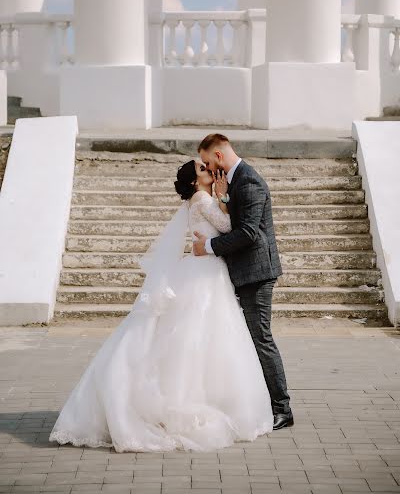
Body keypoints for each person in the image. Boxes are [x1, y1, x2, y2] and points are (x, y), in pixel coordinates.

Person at [49, 158, 274, 452]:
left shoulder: (198, 199)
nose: (210, 170)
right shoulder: (203, 198)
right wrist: (225, 196)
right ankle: (192, 402)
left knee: (201, 338)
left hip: (204, 269)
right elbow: (230, 226)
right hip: (206, 273)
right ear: (195, 181)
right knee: (202, 337)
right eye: (203, 170)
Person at [194, 133, 293, 430]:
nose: (209, 169)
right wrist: (223, 198)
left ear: (219, 156)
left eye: (209, 162)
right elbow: (236, 220)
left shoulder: (248, 180)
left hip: (256, 273)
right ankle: (264, 403)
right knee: (251, 340)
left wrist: (207, 247)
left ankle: (282, 409)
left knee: (261, 340)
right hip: (245, 272)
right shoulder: (234, 181)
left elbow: (249, 232)